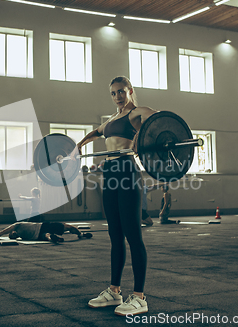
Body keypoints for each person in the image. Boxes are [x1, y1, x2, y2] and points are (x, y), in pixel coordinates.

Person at [76, 76, 158, 316]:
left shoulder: (135, 113)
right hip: (109, 173)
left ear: (129, 91)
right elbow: (98, 131)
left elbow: (158, 116)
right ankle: (114, 291)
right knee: (115, 235)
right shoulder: (112, 119)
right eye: (113, 93)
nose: (117, 96)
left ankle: (140, 297)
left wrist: (139, 137)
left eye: (121, 91)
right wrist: (80, 143)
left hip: (127, 171)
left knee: (133, 234)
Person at [0, 221, 91, 243]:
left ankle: (80, 234)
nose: (13, 235)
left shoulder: (16, 225)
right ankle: (53, 238)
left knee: (67, 226)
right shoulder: (23, 237)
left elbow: (1, 232)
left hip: (43, 225)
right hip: (38, 235)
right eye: (14, 237)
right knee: (47, 236)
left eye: (11, 235)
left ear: (11, 232)